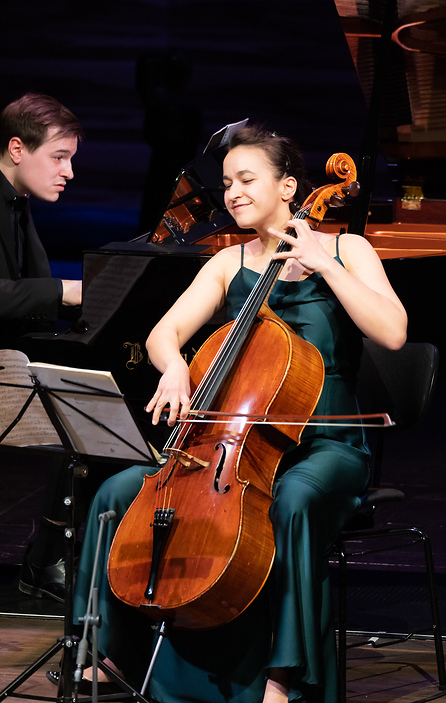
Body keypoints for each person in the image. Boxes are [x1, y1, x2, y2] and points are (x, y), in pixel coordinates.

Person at [66, 125, 407, 702]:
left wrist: (324, 265)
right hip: (234, 446)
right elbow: (163, 334)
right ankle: (104, 650)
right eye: (227, 183)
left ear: (289, 187)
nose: (232, 193)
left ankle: (285, 674)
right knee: (117, 491)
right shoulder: (229, 261)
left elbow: (394, 333)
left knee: (293, 500)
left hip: (326, 446)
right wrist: (175, 367)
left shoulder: (348, 250)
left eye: (247, 180)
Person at [0, 93, 83, 601]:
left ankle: (47, 556)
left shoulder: (16, 202)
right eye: (59, 157)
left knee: (93, 412)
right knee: (87, 423)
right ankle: (46, 558)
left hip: (11, 355)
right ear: (17, 149)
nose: (68, 171)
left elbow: (30, 296)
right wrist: (67, 291)